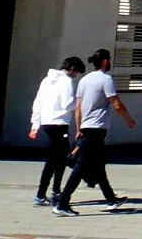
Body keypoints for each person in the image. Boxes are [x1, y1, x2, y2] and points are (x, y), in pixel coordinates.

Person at [52, 49, 136, 217]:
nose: (110, 62)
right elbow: (116, 103)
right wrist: (128, 119)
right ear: (105, 61)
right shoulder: (106, 80)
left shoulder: (84, 80)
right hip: (96, 129)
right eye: (109, 59)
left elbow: (78, 107)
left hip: (86, 127)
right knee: (82, 165)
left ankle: (111, 199)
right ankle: (62, 203)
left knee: (98, 164)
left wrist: (79, 128)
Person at [28, 56, 85, 206]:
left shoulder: (46, 80)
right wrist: (80, 104)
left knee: (56, 157)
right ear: (72, 69)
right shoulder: (66, 81)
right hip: (60, 123)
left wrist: (35, 125)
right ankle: (49, 193)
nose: (75, 76)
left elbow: (38, 102)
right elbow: (68, 104)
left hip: (47, 123)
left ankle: (51, 192)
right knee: (57, 159)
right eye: (76, 73)